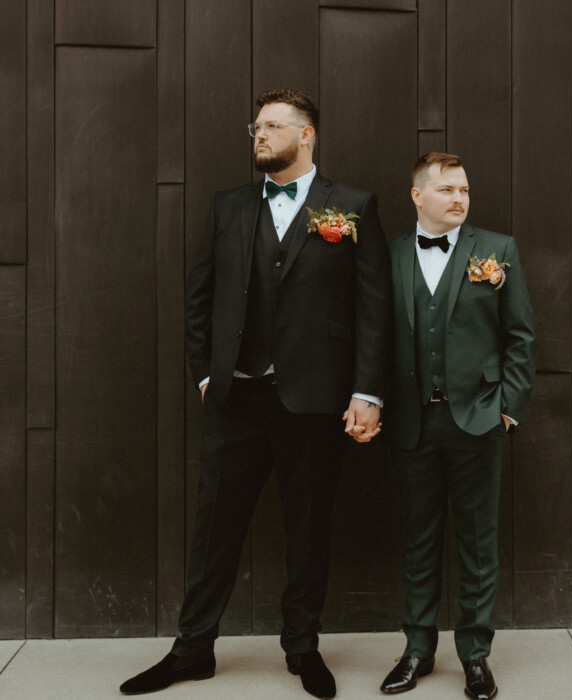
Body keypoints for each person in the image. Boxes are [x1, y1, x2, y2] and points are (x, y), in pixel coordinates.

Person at [120, 88, 391, 699]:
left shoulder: (351, 206)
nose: (260, 135)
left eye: (273, 126)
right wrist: (206, 374)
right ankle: (192, 650)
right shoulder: (229, 207)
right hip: (237, 397)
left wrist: (367, 392)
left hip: (316, 399)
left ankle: (303, 648)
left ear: (307, 135)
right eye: (256, 126)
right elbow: (199, 296)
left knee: (309, 526)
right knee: (214, 528)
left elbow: (374, 308)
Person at [379, 152, 536, 699]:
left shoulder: (497, 250)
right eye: (446, 190)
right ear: (417, 195)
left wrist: (507, 407)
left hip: (478, 420)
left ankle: (475, 656)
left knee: (477, 540)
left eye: (464, 190)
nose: (459, 199)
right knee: (419, 540)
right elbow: (373, 335)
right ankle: (417, 650)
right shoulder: (391, 254)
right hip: (411, 421)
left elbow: (520, 337)